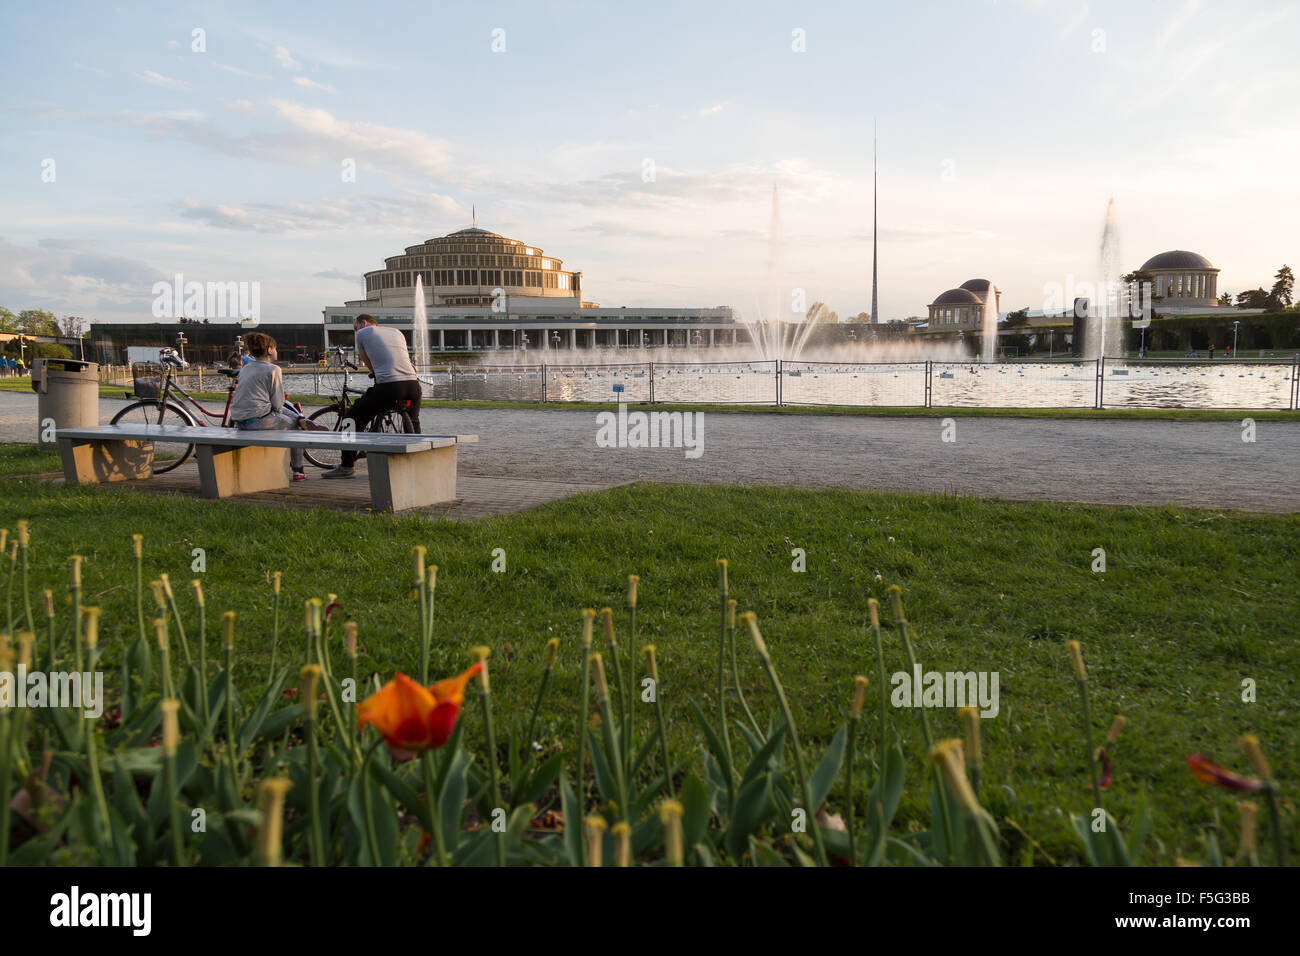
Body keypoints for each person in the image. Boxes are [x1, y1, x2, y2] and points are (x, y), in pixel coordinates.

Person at [321, 314, 422, 479]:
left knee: (351, 418)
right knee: (413, 421)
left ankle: (347, 466)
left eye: (355, 327)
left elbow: (368, 362)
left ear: (364, 323)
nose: (356, 331)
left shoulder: (363, 333)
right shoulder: (396, 332)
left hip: (390, 387)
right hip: (413, 385)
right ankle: (420, 463)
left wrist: (374, 372)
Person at [227, 332, 308, 481]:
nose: (277, 352)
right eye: (276, 348)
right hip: (257, 421)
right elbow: (277, 405)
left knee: (288, 416)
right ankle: (298, 470)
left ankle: (300, 418)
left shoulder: (246, 368)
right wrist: (290, 418)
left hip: (239, 420)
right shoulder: (273, 369)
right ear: (270, 350)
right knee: (296, 429)